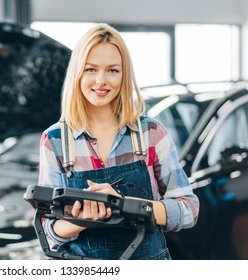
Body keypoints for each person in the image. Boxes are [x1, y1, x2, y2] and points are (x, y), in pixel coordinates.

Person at [38, 23, 199, 260]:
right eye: (91, 69)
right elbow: (48, 229)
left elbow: (189, 210)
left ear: (124, 76)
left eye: (112, 70)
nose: (101, 80)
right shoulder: (55, 140)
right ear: (77, 74)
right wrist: (81, 219)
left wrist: (122, 206)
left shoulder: (151, 133)